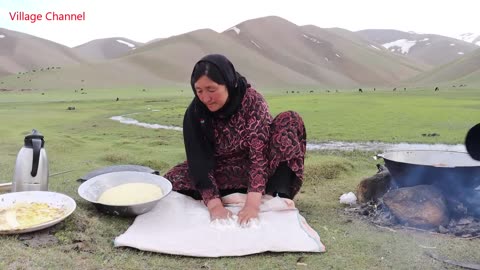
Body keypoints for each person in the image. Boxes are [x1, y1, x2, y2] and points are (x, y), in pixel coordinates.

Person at [164, 54, 306, 225]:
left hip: (260, 168)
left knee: (290, 120)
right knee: (172, 179)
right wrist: (215, 206)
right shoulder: (195, 113)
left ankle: (277, 196)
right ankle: (229, 196)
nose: (205, 98)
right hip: (222, 168)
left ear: (228, 83)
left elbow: (258, 154)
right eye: (199, 91)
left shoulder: (252, 101)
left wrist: (252, 206)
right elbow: (198, 162)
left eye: (211, 89)